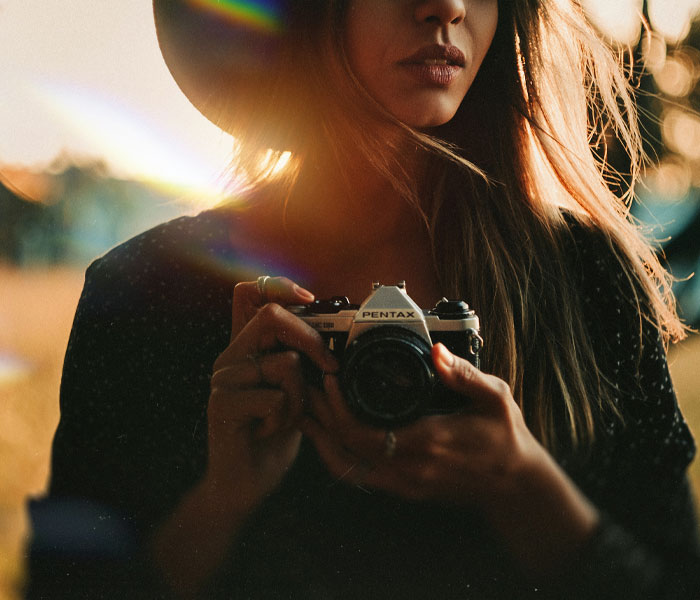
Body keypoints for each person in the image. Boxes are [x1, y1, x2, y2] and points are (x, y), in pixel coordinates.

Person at [27, 0, 700, 598]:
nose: (446, 7)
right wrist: (223, 499)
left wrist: (523, 486)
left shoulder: (588, 278)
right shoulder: (146, 294)